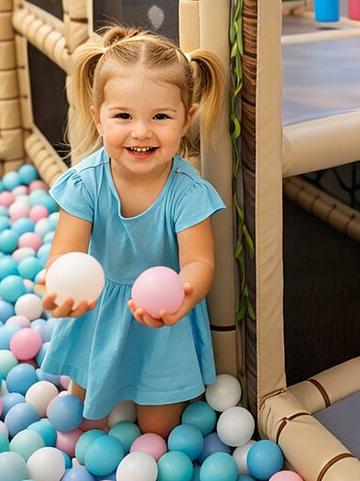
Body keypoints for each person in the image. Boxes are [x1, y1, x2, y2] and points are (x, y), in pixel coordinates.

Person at [38, 26, 227, 433]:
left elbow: (200, 261)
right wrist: (60, 287)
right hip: (99, 314)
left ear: (187, 119)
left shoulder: (187, 192)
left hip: (161, 324)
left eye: (161, 116)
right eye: (123, 116)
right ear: (98, 119)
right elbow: (65, 254)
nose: (141, 131)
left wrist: (183, 296)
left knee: (158, 433)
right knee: (84, 421)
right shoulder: (86, 183)